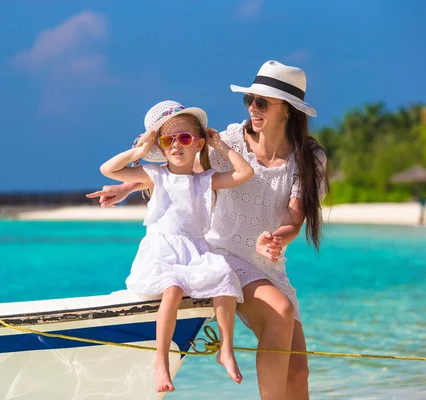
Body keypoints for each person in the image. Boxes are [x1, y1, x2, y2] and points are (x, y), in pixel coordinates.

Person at [88, 61, 329, 400]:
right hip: (222, 253)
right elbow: (182, 175)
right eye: (249, 100)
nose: (252, 109)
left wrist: (276, 240)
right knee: (282, 313)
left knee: (299, 370)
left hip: (269, 264)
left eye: (261, 102)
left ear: (287, 109)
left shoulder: (309, 157)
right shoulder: (230, 140)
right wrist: (130, 187)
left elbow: (294, 218)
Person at [99, 100, 254, 392]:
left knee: (223, 276)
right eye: (168, 140)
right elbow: (108, 169)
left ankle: (227, 350)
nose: (176, 146)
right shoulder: (155, 174)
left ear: (197, 144)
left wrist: (220, 146)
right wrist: (141, 151)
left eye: (184, 138)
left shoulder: (204, 180)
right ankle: (161, 361)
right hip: (161, 251)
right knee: (172, 287)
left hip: (195, 252)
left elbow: (244, 173)